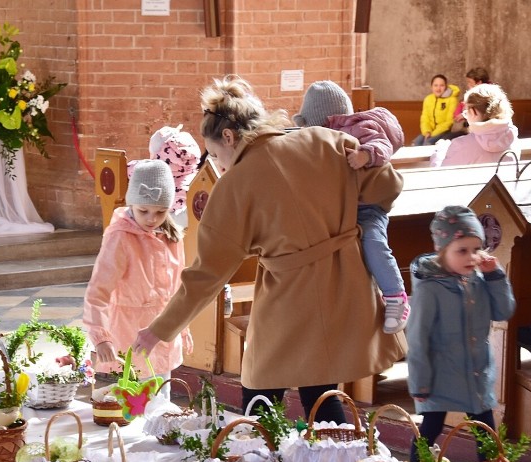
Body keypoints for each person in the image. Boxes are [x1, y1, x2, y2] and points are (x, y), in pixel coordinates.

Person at [132, 75, 406, 421]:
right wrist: (343, 218)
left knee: (260, 391)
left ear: (229, 137)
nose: (218, 164)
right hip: (345, 286)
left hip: (289, 298)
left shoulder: (234, 187)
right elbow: (388, 185)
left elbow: (205, 277)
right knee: (321, 391)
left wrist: (159, 330)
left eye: (215, 154)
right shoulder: (325, 140)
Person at [293, 80, 409, 333]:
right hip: (338, 207)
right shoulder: (321, 136)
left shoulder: (358, 128)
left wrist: (365, 155)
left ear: (328, 121)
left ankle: (395, 296)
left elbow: (382, 145)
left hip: (367, 207)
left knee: (373, 243)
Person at [407, 206, 515, 462]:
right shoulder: (430, 288)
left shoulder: (479, 279)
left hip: (475, 372)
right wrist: (420, 382)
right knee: (430, 429)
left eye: (476, 249)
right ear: (442, 250)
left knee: (485, 431)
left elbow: (503, 311)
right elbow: (417, 335)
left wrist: (495, 277)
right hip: (439, 374)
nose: (472, 257)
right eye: (462, 250)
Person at [83, 159, 192, 398]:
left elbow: (179, 288)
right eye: (144, 211)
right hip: (130, 333)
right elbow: (97, 292)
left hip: (164, 332)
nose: (152, 219)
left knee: (162, 395)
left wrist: (182, 327)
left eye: (160, 212)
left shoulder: (172, 237)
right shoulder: (120, 238)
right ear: (132, 203)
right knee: (137, 400)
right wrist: (100, 337)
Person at [430, 83, 518, 167]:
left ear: (473, 112)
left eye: (466, 112)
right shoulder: (513, 140)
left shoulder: (461, 145)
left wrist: (439, 152)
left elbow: (440, 176)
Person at [412, 74, 460, 146]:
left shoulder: (452, 100)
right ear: (431, 87)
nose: (438, 88)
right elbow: (425, 119)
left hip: (444, 131)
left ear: (446, 86)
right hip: (430, 131)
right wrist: (427, 131)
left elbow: (449, 121)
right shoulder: (428, 99)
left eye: (441, 85)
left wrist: (433, 134)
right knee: (416, 143)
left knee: (428, 143)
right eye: (435, 85)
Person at [447, 66, 491, 139]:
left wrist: (465, 115)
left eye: (470, 82)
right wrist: (458, 114)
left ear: (479, 82)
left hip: (483, 130)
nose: (468, 85)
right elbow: (462, 105)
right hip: (469, 127)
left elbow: (483, 113)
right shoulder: (472, 93)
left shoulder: (489, 94)